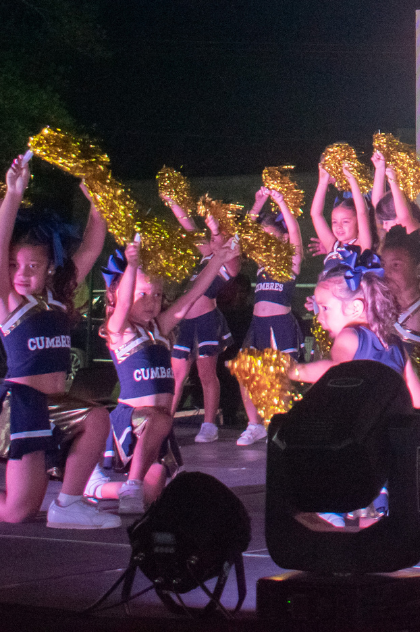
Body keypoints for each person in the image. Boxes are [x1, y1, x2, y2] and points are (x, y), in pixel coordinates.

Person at [0, 152, 116, 529]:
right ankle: (64, 503)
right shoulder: (10, 304)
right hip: (23, 407)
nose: (21, 273)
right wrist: (13, 194)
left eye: (33, 265)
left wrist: (98, 206)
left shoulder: (58, 295)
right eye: (15, 265)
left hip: (55, 404)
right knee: (17, 512)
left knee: (97, 417)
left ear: (51, 266)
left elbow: (91, 248)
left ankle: (68, 505)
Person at [95, 228, 235, 512]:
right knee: (160, 419)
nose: (152, 301)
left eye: (157, 295)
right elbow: (123, 303)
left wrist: (217, 262)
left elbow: (193, 295)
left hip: (156, 429)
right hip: (134, 421)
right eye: (143, 294)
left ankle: (96, 487)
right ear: (121, 292)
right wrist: (132, 266)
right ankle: (131, 485)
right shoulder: (120, 331)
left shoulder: (159, 329)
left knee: (154, 497)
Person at [288, 247, 420, 529]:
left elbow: (334, 373)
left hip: (356, 444)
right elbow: (419, 398)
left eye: (324, 308)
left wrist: (296, 370)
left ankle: (331, 514)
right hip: (387, 447)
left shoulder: (350, 336)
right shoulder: (395, 345)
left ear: (354, 308)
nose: (319, 317)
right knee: (375, 518)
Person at [164, 195, 242, 441]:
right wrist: (172, 201)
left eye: (216, 236)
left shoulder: (230, 261)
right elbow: (189, 226)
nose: (210, 239)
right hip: (185, 324)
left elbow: (223, 249)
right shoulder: (205, 257)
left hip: (207, 322)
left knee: (206, 374)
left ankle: (209, 425)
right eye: (210, 236)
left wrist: (217, 229)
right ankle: (164, 422)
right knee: (176, 376)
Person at [235, 184, 305, 447]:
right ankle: (255, 425)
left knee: (281, 377)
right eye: (260, 239)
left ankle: (281, 426)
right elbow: (243, 236)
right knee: (246, 372)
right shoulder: (261, 264)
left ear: (283, 239)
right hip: (258, 325)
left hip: (281, 325)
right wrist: (258, 203)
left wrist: (280, 202)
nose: (263, 243)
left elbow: (295, 231)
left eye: (269, 237)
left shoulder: (291, 262)